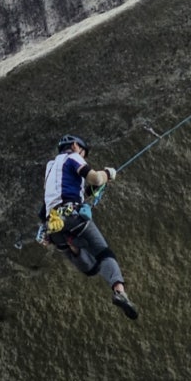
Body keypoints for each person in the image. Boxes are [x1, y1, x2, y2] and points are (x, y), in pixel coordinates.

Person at [40, 133, 138, 320]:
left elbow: (55, 199)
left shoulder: (50, 168)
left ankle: (72, 245)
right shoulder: (73, 157)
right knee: (103, 253)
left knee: (91, 269)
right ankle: (119, 291)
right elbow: (95, 178)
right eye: (84, 153)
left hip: (53, 226)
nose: (84, 157)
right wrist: (108, 173)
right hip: (72, 218)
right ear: (77, 146)